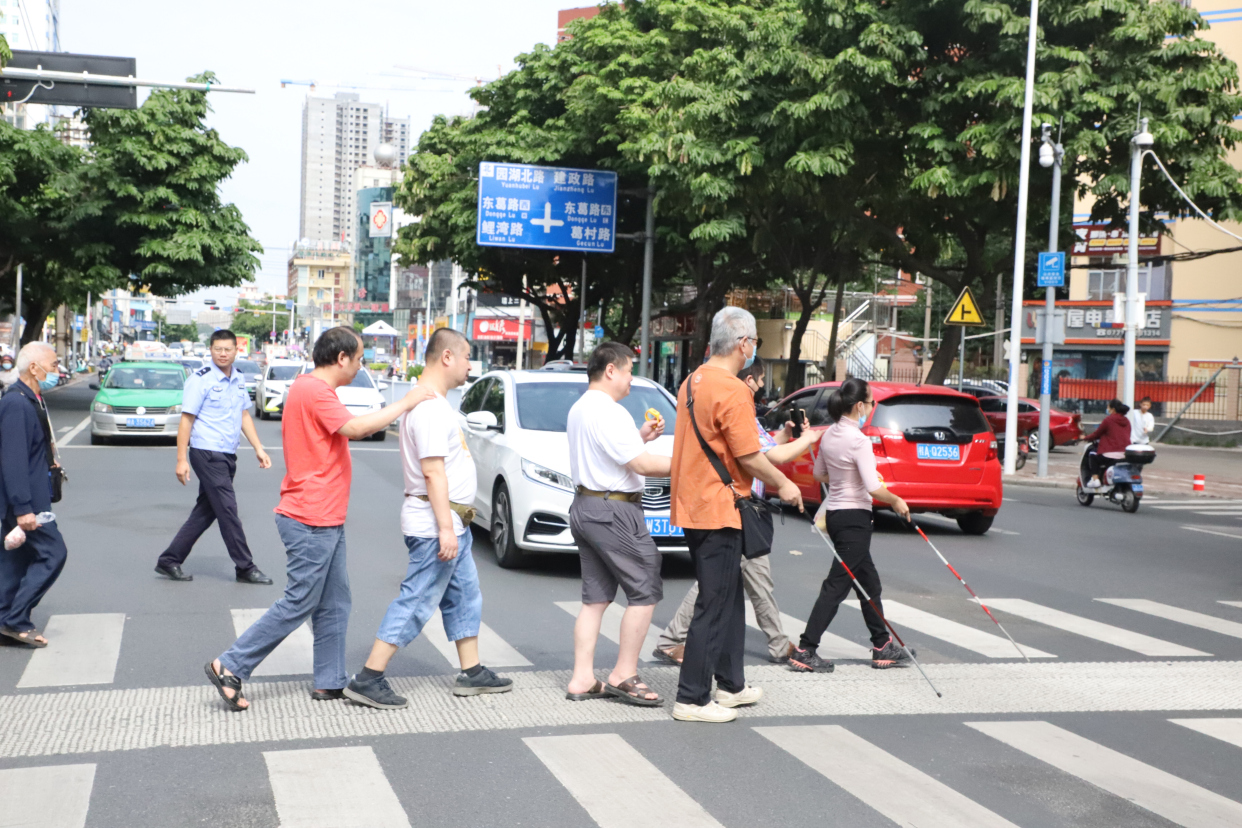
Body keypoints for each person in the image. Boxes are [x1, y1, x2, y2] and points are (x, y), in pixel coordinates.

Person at [205, 327, 434, 711]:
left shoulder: (310, 388)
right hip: (311, 515)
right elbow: (357, 429)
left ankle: (329, 681)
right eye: (359, 358)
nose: (360, 365)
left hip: (322, 515)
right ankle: (230, 664)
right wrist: (407, 402)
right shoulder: (314, 390)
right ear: (341, 358)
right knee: (299, 601)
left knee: (335, 603)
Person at [344, 328, 513, 709]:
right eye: (467, 356)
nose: (472, 364)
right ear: (447, 357)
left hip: (452, 521)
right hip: (437, 523)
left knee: (465, 595)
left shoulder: (433, 404)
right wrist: (444, 529)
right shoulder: (430, 409)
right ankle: (369, 677)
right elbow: (434, 472)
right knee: (417, 599)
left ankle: (472, 671)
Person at [669, 307, 804, 724]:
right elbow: (749, 455)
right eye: (754, 343)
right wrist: (785, 483)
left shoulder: (692, 381)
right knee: (714, 602)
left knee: (727, 597)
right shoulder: (732, 388)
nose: (753, 350)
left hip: (694, 503)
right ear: (744, 344)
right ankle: (691, 698)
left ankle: (731, 685)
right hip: (720, 507)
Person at [654, 356, 818, 666]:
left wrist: (784, 433)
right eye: (757, 382)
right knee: (745, 580)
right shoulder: (738, 406)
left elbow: (763, 448)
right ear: (746, 381)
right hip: (737, 509)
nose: (759, 389)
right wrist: (807, 440)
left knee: (724, 580)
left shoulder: (734, 407)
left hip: (735, 508)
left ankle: (675, 639)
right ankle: (773, 646)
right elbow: (773, 456)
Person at [563, 341, 672, 706]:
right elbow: (641, 466)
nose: (631, 379)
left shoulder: (581, 408)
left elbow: (614, 455)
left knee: (595, 599)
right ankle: (624, 673)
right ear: (610, 370)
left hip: (585, 506)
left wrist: (639, 438)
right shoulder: (609, 411)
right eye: (628, 370)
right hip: (614, 511)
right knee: (645, 585)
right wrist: (691, 464)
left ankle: (582, 678)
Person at [789, 378, 912, 674]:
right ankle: (806, 648)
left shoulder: (830, 434)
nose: (871, 408)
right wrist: (896, 500)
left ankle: (882, 646)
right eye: (870, 403)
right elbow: (873, 487)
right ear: (859, 406)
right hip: (855, 518)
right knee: (837, 585)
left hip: (836, 515)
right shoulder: (858, 440)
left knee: (869, 583)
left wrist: (845, 477)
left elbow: (820, 474)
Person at [155, 330, 274, 584]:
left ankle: (169, 560)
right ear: (210, 350)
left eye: (227, 349)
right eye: (218, 349)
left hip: (227, 453)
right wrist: (181, 459)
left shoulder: (239, 378)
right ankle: (245, 566)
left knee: (206, 511)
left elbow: (243, 416)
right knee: (228, 510)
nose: (222, 353)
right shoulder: (200, 380)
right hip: (207, 453)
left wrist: (258, 448)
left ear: (235, 351)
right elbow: (186, 420)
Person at [0, 343, 67, 647]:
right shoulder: (17, 403)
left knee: (15, 562)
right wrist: (23, 508)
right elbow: (12, 459)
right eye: (53, 365)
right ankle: (16, 620)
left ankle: (4, 620)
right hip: (25, 503)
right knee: (53, 553)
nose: (57, 371)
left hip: (28, 497)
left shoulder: (33, 398)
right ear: (34, 369)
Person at [1085, 399, 1132, 488]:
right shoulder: (1127, 421)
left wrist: (1085, 438)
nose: (1107, 409)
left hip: (1109, 455)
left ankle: (1095, 480)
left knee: (1092, 454)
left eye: (1108, 407)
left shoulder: (1108, 420)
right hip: (1124, 454)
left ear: (1113, 409)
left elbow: (1097, 434)